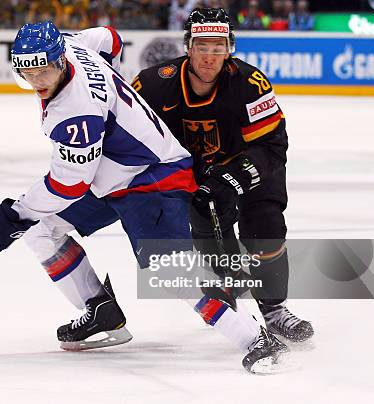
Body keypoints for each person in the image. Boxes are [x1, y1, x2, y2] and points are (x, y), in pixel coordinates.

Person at [0, 21, 288, 374]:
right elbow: (110, 38)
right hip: (110, 174)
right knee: (41, 229)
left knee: (170, 271)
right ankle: (100, 309)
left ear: (60, 60)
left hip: (154, 174)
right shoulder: (75, 44)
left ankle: (256, 340)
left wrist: (15, 214)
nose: (37, 81)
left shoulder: (76, 112)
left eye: (44, 70)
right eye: (28, 72)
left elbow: (69, 184)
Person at [131, 8, 314, 343]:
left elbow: (273, 145)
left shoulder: (250, 83)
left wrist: (235, 179)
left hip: (249, 165)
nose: (210, 56)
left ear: (230, 49)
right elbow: (129, 135)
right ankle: (231, 293)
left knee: (265, 227)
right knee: (206, 222)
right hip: (194, 171)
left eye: (219, 47)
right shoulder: (154, 85)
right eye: (203, 46)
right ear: (188, 46)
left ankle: (274, 310)